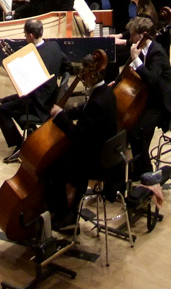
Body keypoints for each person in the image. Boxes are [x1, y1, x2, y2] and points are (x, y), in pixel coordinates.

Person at [44, 59, 119, 232]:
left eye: (84, 75)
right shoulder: (105, 91)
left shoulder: (98, 101)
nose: (82, 79)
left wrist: (61, 118)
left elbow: (79, 136)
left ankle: (65, 216)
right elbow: (85, 109)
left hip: (96, 159)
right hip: (102, 150)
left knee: (53, 168)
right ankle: (70, 207)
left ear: (92, 75)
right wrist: (63, 112)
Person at [0, 18, 66, 158]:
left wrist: (10, 67)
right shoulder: (54, 46)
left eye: (25, 34)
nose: (25, 37)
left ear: (31, 35)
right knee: (6, 101)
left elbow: (22, 83)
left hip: (38, 103)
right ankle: (31, 132)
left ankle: (20, 144)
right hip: (49, 95)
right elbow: (66, 66)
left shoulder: (33, 57)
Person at [125, 16, 171, 178]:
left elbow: (151, 78)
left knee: (137, 132)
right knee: (135, 129)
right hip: (150, 98)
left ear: (143, 35)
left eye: (133, 35)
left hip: (163, 103)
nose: (131, 39)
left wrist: (135, 60)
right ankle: (139, 168)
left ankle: (147, 173)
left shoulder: (157, 52)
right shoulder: (142, 49)